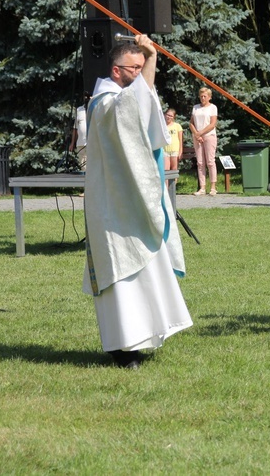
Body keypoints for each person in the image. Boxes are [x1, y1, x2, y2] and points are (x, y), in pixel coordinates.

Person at [83, 36, 193, 369]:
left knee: (145, 269)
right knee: (122, 274)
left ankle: (141, 339)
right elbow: (131, 108)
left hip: (134, 201)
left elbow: (145, 113)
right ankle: (123, 348)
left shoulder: (124, 96)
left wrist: (152, 57)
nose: (140, 73)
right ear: (116, 71)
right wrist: (153, 59)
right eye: (135, 67)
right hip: (112, 208)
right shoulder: (104, 102)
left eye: (142, 68)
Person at [189, 87, 219, 196]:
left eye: (205, 96)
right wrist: (196, 134)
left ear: (209, 97)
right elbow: (191, 123)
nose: (202, 98)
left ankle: (213, 187)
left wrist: (200, 133)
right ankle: (202, 187)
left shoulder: (212, 107)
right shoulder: (196, 107)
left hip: (209, 135)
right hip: (197, 136)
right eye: (201, 96)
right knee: (200, 162)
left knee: (210, 161)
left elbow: (212, 124)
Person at [69, 92, 90, 171]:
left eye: (88, 97)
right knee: (83, 167)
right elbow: (75, 128)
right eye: (85, 97)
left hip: (91, 143)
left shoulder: (95, 108)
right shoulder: (79, 110)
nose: (86, 98)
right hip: (80, 143)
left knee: (90, 167)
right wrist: (72, 143)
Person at [163, 108, 183, 176]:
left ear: (174, 117)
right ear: (165, 115)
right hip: (165, 150)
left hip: (175, 150)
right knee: (166, 169)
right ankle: (166, 186)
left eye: (171, 116)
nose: (169, 117)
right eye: (167, 115)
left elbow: (180, 140)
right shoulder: (162, 126)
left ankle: (173, 186)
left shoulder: (177, 126)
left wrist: (180, 151)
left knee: (174, 169)